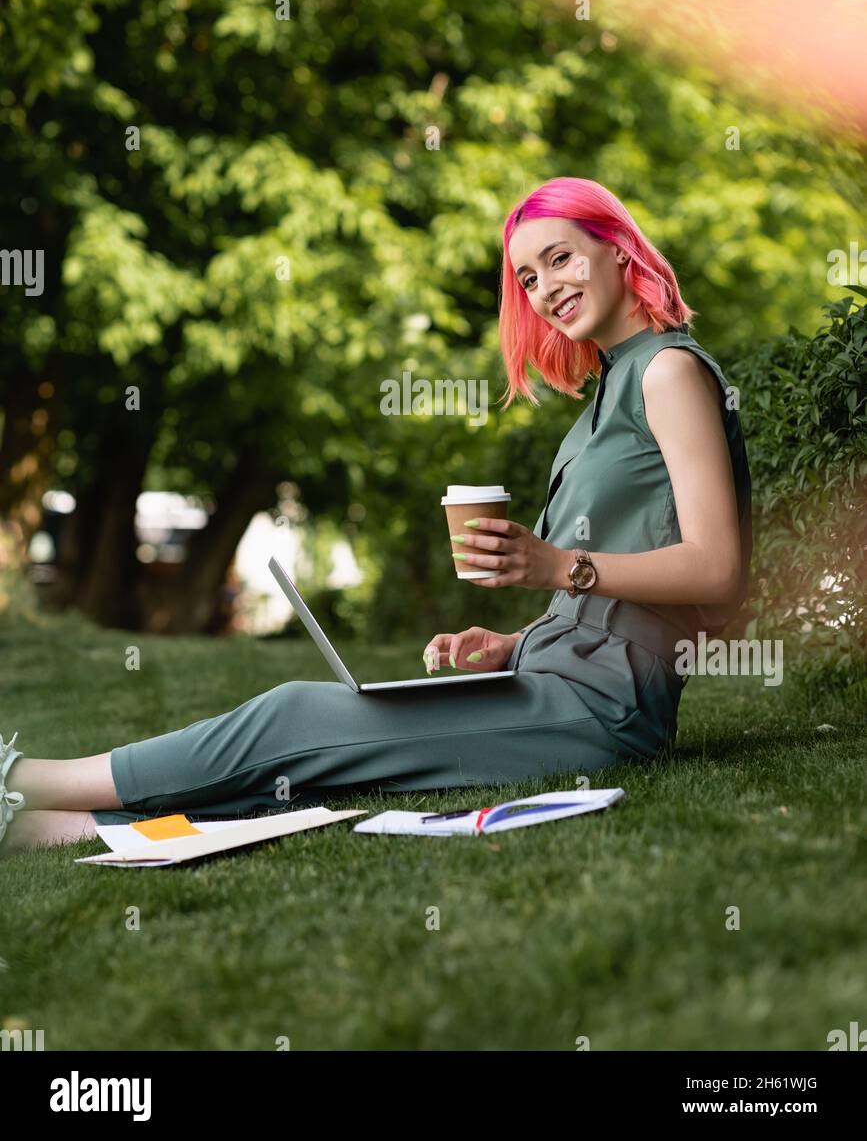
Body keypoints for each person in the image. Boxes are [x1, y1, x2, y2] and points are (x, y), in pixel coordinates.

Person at [0, 177, 752, 857]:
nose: (544, 288)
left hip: (600, 713)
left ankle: (32, 780)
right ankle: (70, 828)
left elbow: (717, 574)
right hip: (550, 680)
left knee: (296, 718)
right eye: (527, 277)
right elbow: (614, 596)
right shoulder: (610, 388)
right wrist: (515, 641)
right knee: (324, 753)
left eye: (559, 258)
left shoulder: (668, 371)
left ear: (617, 249)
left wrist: (558, 566)